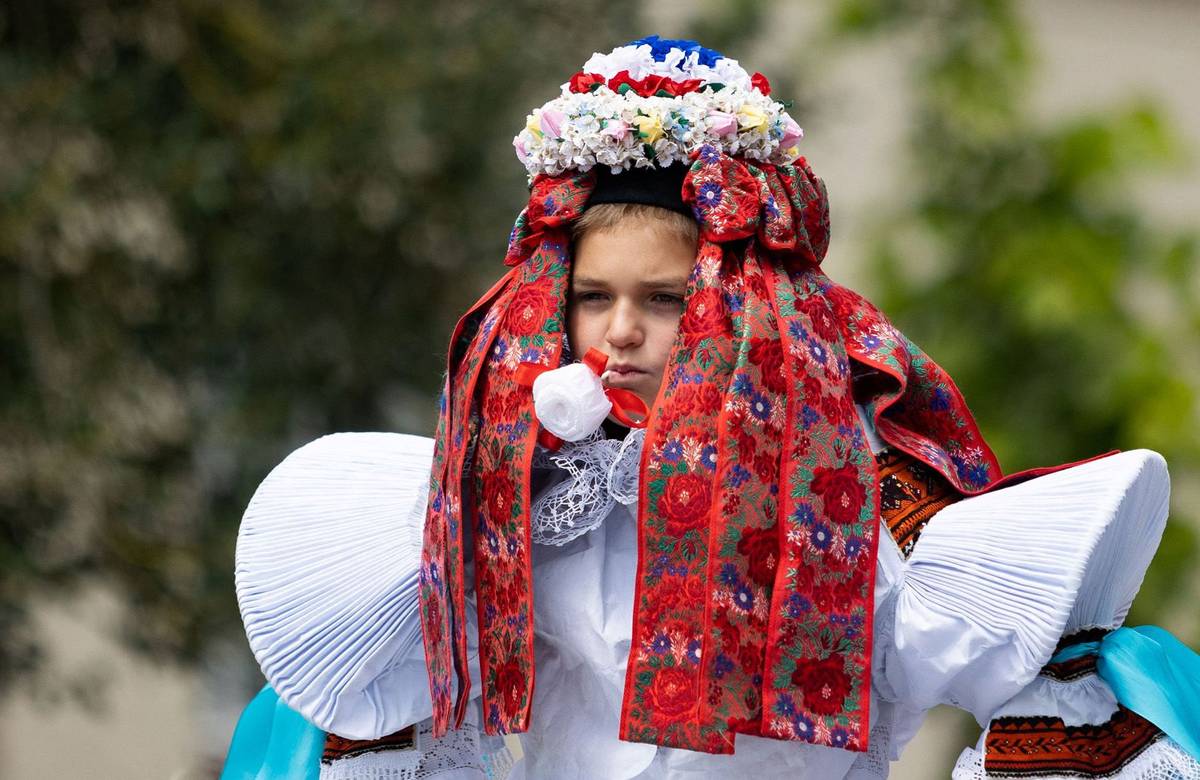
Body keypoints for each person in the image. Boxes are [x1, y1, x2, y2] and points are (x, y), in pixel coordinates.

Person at [224, 37, 1200, 779]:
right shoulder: (517, 491)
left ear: (739, 311)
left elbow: (1036, 689)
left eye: (663, 300)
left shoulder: (850, 500)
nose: (621, 334)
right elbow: (391, 704)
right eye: (594, 299)